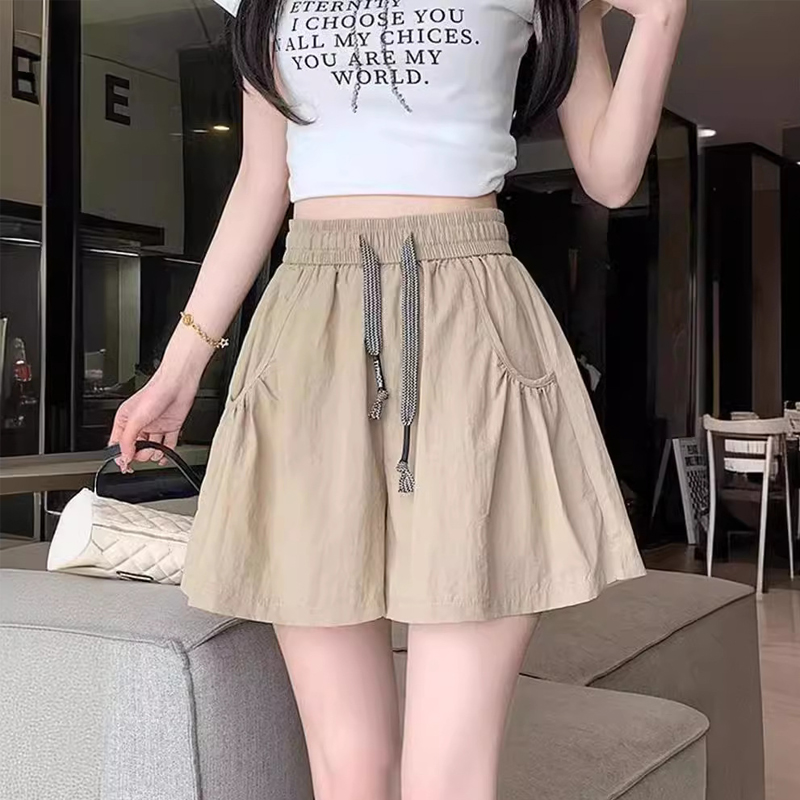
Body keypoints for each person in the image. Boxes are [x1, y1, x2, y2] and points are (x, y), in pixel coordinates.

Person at [110, 1, 685, 798]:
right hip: (309, 324)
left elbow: (611, 173)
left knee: (448, 775)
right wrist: (179, 368)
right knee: (347, 766)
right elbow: (262, 179)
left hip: (469, 319)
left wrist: (662, 18)